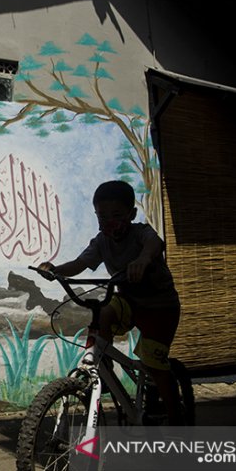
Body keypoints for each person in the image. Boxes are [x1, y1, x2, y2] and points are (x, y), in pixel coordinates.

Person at [38, 180, 183, 424]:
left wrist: (143, 259)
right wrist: (55, 271)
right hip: (129, 301)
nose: (108, 221)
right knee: (103, 313)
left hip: (160, 306)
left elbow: (155, 244)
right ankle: (102, 370)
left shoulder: (140, 233)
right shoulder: (101, 242)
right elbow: (80, 263)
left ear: (132, 214)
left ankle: (176, 418)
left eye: (116, 215)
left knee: (155, 363)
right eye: (102, 216)